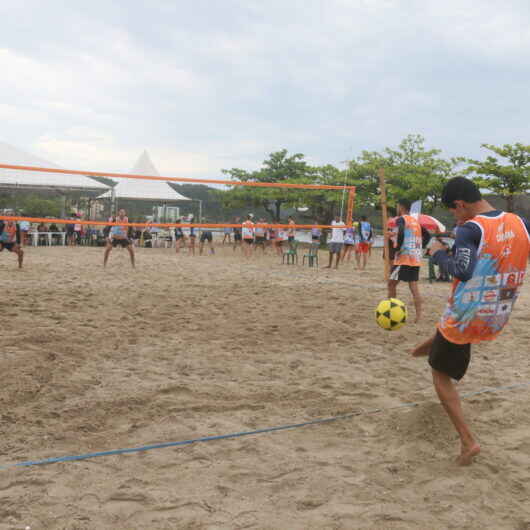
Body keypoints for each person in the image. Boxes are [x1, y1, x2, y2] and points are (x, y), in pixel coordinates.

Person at [412, 177, 530, 465]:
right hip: (499, 311)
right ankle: (431, 342)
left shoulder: (470, 228)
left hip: (468, 316)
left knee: (439, 373)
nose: (454, 216)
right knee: (447, 335)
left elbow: (462, 271)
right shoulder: (521, 222)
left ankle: (468, 442)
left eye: (453, 211)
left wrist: (439, 255)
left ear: (460, 204)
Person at [388, 199, 424, 322]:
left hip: (404, 257)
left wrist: (397, 248)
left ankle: (391, 312)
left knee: (391, 284)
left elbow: (402, 232)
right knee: (413, 287)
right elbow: (427, 235)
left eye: (397, 206)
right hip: (416, 257)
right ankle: (418, 316)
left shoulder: (401, 219)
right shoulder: (415, 221)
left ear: (401, 207)